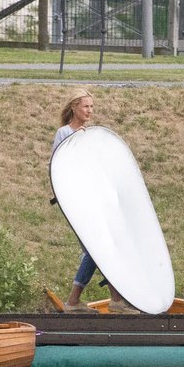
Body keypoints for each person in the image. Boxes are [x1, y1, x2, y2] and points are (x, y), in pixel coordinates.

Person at [50, 88, 138, 315]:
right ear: (74, 108)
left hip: (93, 200)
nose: (90, 110)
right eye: (86, 106)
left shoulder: (90, 135)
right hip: (75, 202)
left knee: (100, 247)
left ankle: (111, 299)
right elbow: (59, 168)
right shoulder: (64, 133)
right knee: (96, 248)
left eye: (92, 106)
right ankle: (78, 301)